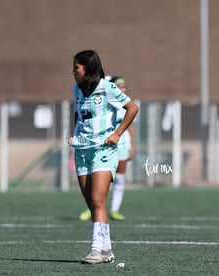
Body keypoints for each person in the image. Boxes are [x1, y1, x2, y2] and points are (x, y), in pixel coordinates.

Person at [68, 50, 138, 264]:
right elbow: (78, 113)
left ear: (87, 68)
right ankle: (107, 249)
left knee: (98, 201)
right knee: (92, 202)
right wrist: (74, 134)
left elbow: (132, 108)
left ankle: (96, 250)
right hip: (82, 151)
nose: (73, 71)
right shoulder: (77, 89)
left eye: (76, 67)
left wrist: (117, 134)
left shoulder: (107, 88)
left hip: (103, 151)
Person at [78, 76, 135, 221]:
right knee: (97, 182)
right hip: (103, 145)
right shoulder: (105, 102)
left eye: (125, 86)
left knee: (119, 178)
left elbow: (131, 126)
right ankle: (92, 208)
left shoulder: (124, 106)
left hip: (121, 145)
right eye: (120, 86)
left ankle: (114, 209)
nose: (123, 89)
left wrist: (132, 146)